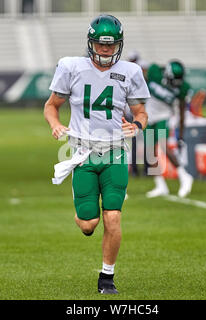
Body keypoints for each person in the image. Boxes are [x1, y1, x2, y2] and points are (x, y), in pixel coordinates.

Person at [44, 14, 150, 294]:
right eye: (100, 44)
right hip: (84, 153)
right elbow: (51, 105)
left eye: (111, 45)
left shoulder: (131, 72)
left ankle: (107, 277)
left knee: (113, 216)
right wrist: (55, 124)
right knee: (89, 224)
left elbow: (141, 112)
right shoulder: (71, 67)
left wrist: (137, 124)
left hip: (115, 152)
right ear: (91, 43)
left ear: (119, 45)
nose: (105, 50)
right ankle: (84, 215)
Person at [144, 60, 194, 198]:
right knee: (149, 151)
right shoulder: (154, 73)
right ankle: (160, 185)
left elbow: (183, 111)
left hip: (163, 116)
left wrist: (181, 135)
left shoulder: (183, 88)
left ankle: (184, 176)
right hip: (149, 114)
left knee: (163, 144)